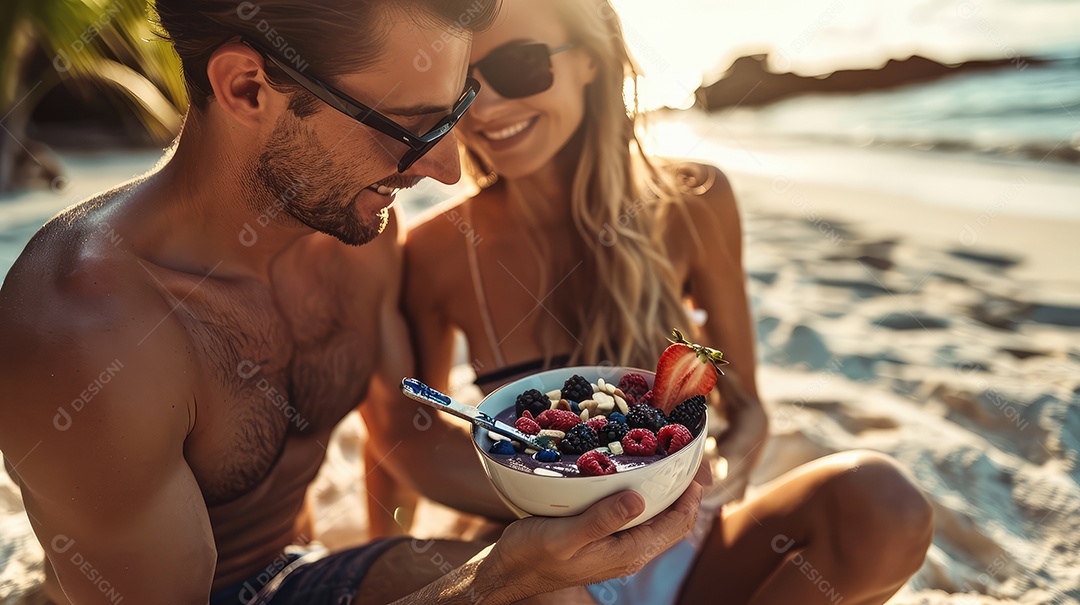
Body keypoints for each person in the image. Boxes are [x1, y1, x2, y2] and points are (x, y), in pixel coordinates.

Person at [0, 1, 709, 603]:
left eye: (454, 109)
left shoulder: (360, 232)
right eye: (409, 126)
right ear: (248, 88)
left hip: (295, 572)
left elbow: (405, 432)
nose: (448, 166)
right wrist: (494, 579)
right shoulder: (85, 325)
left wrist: (616, 484)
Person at [375, 0, 937, 603]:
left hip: (689, 541)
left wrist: (716, 460)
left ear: (592, 60)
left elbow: (746, 406)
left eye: (520, 65)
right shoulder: (438, 249)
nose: (485, 107)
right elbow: (412, 440)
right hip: (547, 562)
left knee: (883, 504)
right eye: (463, 85)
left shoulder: (694, 200)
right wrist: (580, 483)